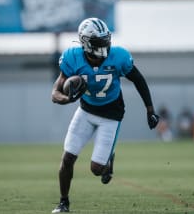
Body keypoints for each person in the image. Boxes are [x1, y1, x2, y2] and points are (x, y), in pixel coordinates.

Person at [51, 17, 159, 213]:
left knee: (96, 170)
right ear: (85, 43)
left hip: (111, 115)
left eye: (105, 40)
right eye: (98, 42)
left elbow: (138, 79)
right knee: (67, 158)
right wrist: (67, 99)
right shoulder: (72, 57)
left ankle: (108, 160)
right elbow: (55, 93)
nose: (105, 46)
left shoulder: (118, 56)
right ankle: (63, 203)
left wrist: (150, 110)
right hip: (85, 111)